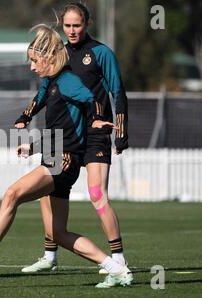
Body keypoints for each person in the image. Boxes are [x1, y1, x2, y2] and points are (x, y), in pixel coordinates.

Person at [0, 24, 132, 288]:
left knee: (12, 194)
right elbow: (61, 128)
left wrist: (99, 119)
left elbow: (93, 99)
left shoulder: (66, 81)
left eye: (34, 61)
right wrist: (33, 146)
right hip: (56, 155)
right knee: (58, 233)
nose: (32, 67)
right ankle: (117, 268)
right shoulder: (54, 83)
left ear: (48, 57)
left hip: (62, 160)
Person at [15, 2, 129, 275]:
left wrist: (121, 134)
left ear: (86, 24)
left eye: (77, 25)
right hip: (67, 135)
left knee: (96, 193)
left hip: (96, 131)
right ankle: (50, 255)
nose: (72, 30)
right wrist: (26, 116)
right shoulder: (58, 53)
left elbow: (118, 92)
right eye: (67, 26)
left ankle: (119, 258)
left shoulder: (101, 53)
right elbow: (44, 90)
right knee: (48, 187)